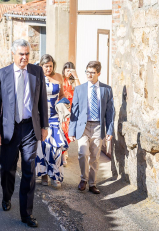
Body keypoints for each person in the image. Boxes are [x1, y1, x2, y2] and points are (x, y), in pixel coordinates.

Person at [0, 39, 48, 228]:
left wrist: (44, 126)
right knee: (7, 169)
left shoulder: (36, 72)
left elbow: (42, 102)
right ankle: (6, 196)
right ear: (13, 54)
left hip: (30, 129)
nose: (24, 58)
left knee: (29, 170)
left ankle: (26, 214)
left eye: (27, 54)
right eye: (21, 54)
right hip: (9, 130)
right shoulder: (1, 75)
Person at [68, 61, 114, 194]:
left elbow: (110, 112)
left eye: (92, 72)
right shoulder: (80, 89)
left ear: (98, 73)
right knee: (83, 153)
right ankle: (83, 179)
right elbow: (74, 111)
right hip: (83, 126)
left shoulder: (106, 89)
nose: (89, 74)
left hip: (98, 126)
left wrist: (110, 130)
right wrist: (72, 131)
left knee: (95, 156)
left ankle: (92, 184)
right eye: (87, 72)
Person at [35, 54, 69, 188]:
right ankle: (44, 175)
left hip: (54, 117)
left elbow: (61, 95)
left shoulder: (59, 77)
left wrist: (64, 104)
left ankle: (55, 175)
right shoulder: (37, 78)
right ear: (41, 66)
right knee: (43, 147)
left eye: (50, 66)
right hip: (41, 117)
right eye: (45, 66)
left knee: (56, 148)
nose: (48, 69)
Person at [61, 62, 81, 166]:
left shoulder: (73, 81)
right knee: (63, 130)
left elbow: (81, 91)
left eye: (71, 70)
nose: (68, 72)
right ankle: (63, 154)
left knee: (69, 131)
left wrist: (76, 76)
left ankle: (65, 150)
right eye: (67, 69)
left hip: (72, 109)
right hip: (62, 109)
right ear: (63, 70)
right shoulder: (60, 80)